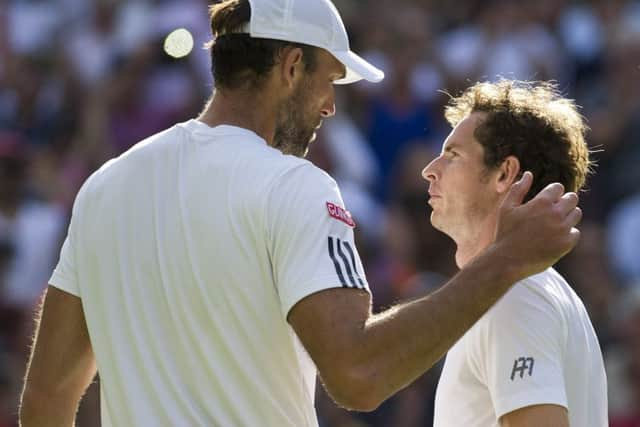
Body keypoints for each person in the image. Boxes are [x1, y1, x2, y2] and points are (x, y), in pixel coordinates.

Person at [19, 1, 582, 426]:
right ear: (291, 65)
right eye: (328, 80)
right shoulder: (295, 186)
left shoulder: (105, 186)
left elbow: (46, 399)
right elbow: (359, 377)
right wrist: (505, 259)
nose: (332, 105)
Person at [427, 80, 607, 427]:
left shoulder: (514, 293)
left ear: (505, 174)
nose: (430, 169)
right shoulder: (524, 289)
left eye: (453, 155)